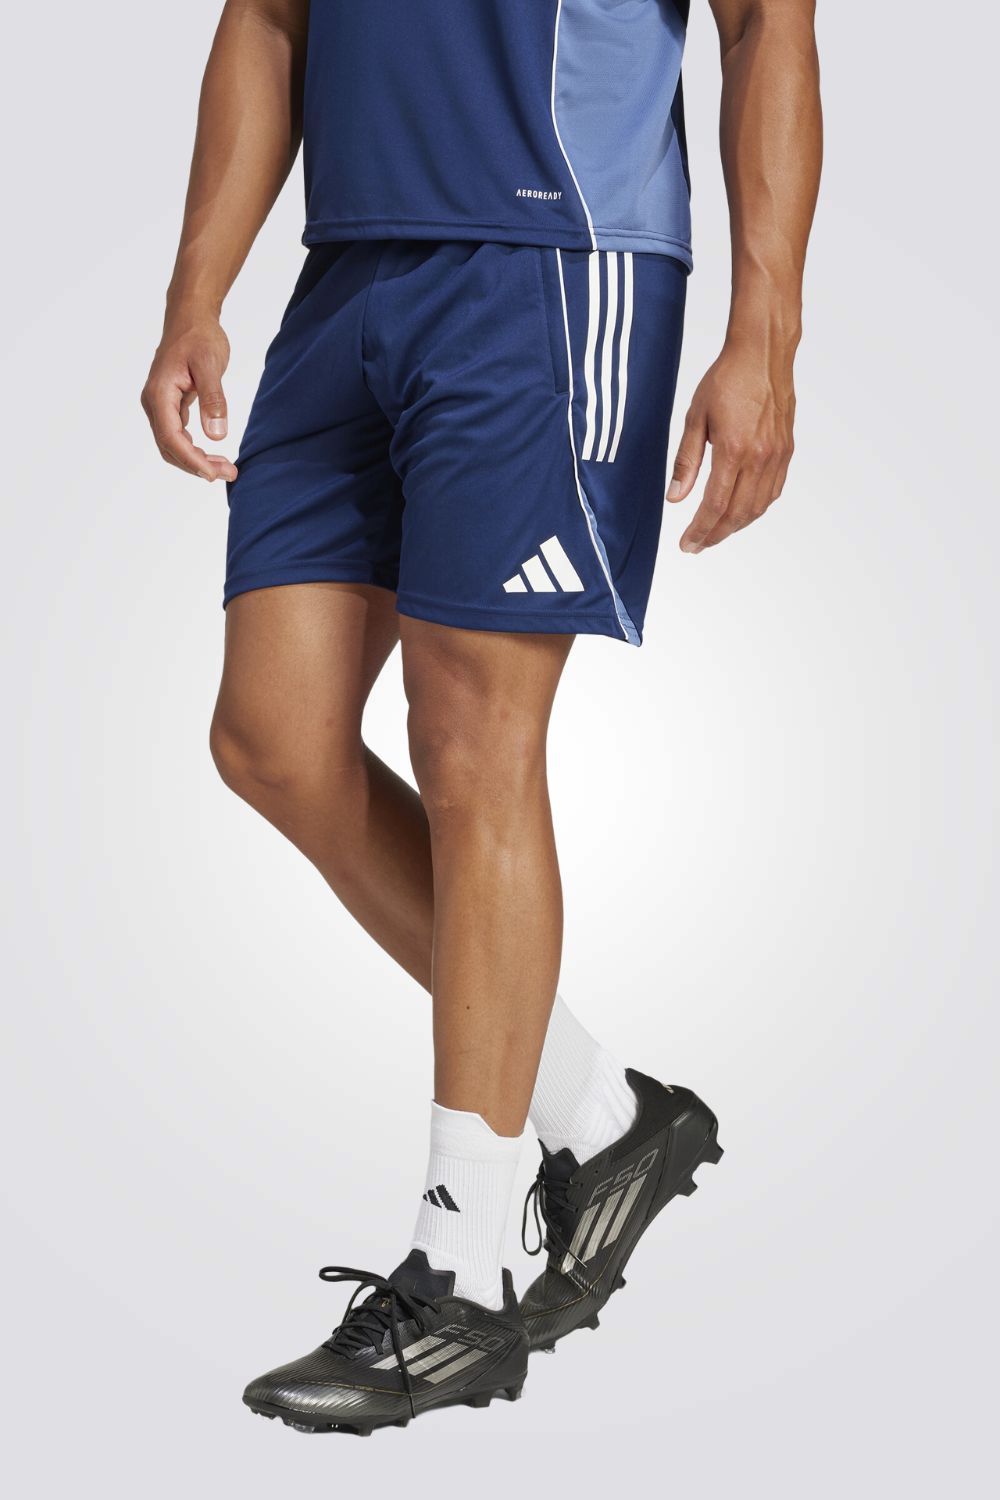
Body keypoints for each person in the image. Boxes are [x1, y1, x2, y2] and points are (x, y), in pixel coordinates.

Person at [142, 0, 821, 1436]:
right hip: (351, 270)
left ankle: (465, 1277)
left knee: (471, 738)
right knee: (271, 741)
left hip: (554, 260)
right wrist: (197, 287)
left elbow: (768, 26)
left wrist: (765, 332)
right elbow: (267, 19)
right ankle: (603, 1120)